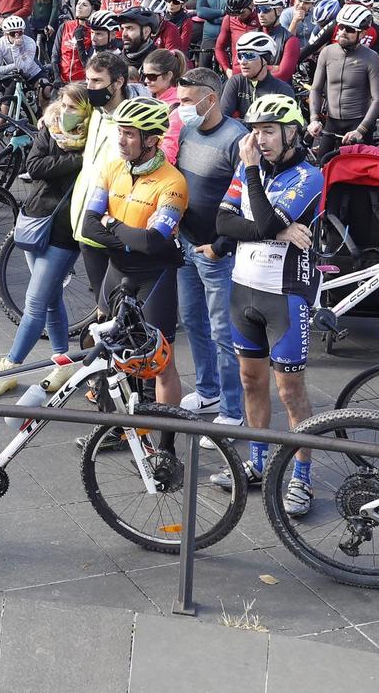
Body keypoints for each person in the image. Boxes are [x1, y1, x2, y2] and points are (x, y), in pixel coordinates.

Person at [214, 93, 325, 513]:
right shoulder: (247, 168)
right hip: (244, 289)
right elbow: (222, 223)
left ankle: (302, 477)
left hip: (286, 296)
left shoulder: (308, 176)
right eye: (255, 131)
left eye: (269, 131)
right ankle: (257, 462)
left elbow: (257, 220)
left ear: (291, 132)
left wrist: (262, 213)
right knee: (250, 381)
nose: (259, 139)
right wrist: (276, 232)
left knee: (290, 391)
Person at [75, 97, 190, 406]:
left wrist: (110, 222)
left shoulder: (173, 182)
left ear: (151, 139)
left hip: (155, 278)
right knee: (111, 351)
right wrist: (129, 237)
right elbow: (88, 227)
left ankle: (165, 446)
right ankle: (115, 429)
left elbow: (153, 242)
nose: (121, 140)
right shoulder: (112, 169)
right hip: (118, 271)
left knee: (161, 364)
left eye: (130, 133)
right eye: (120, 132)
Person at [0, 84, 90, 396]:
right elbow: (35, 166)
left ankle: (11, 366)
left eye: (74, 107)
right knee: (51, 299)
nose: (66, 112)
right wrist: (79, 161)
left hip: (66, 231)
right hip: (36, 220)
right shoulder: (51, 128)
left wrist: (80, 159)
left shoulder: (97, 138)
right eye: (64, 104)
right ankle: (64, 362)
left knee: (35, 301)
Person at [172, 66, 247, 432]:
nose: (180, 107)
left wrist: (221, 246)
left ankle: (232, 412)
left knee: (223, 332)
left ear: (210, 98)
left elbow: (247, 199)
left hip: (217, 253)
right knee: (192, 320)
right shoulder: (187, 129)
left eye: (186, 101)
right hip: (186, 244)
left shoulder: (236, 139)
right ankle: (207, 390)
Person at [305, 2, 379, 156]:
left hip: (358, 123)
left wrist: (361, 130)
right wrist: (314, 118)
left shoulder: (370, 57)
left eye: (349, 30)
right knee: (323, 168)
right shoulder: (327, 52)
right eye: (340, 27)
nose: (341, 32)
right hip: (332, 122)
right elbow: (315, 88)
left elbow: (378, 98)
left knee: (356, 176)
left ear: (362, 34)